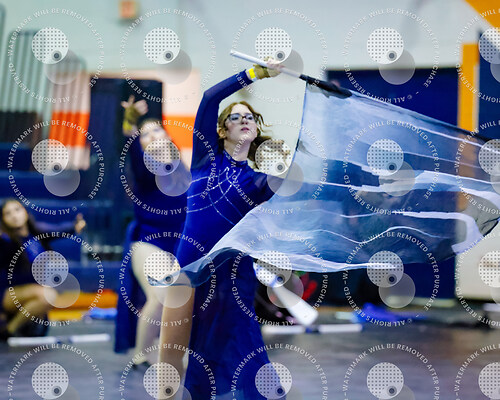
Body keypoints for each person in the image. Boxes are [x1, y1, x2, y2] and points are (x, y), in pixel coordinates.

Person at [159, 61, 282, 399]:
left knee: (239, 347)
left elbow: (300, 185)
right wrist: (254, 74)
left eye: (249, 117)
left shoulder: (258, 181)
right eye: (235, 117)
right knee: (172, 353)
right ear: (222, 130)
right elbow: (210, 98)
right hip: (188, 270)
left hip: (231, 275)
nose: (244, 120)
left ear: (255, 130)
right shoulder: (205, 159)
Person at [114, 97, 189, 366]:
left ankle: (146, 352)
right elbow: (131, 147)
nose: (153, 136)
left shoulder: (185, 171)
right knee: (162, 293)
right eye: (145, 134)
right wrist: (130, 121)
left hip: (179, 247)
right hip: (148, 244)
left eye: (157, 129)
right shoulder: (145, 170)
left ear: (167, 135)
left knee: (171, 299)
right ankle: (155, 353)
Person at [0, 199, 86, 338]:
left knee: (46, 297)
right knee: (47, 294)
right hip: (7, 293)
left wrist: (74, 226)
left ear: (25, 212)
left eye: (17, 210)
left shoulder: (36, 234)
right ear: (3, 219)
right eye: (8, 214)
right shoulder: (6, 241)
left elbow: (57, 230)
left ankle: (14, 327)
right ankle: (8, 330)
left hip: (32, 291)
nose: (14, 216)